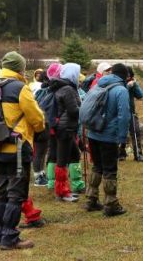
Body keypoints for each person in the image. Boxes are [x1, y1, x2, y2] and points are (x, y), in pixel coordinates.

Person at [0, 51, 45, 250]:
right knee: (16, 194)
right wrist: (39, 129)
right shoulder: (20, 88)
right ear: (19, 68)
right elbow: (37, 118)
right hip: (18, 148)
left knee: (1, 191)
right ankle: (10, 237)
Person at [84, 63, 132, 216]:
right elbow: (124, 116)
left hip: (93, 132)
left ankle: (91, 200)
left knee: (97, 166)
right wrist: (122, 138)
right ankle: (111, 204)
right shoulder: (121, 90)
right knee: (110, 170)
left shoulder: (98, 84)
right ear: (125, 76)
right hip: (108, 136)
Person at [50, 62, 83, 202]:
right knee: (62, 161)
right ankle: (61, 192)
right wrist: (85, 110)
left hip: (64, 127)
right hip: (65, 129)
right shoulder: (68, 89)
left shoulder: (61, 86)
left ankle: (74, 185)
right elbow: (73, 110)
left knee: (75, 154)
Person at [120, 66, 143, 162]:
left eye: (129, 75)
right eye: (126, 75)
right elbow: (121, 94)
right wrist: (127, 86)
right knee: (121, 132)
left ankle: (138, 154)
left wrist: (135, 85)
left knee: (136, 132)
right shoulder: (119, 83)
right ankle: (121, 153)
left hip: (131, 111)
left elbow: (140, 95)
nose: (127, 77)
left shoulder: (132, 83)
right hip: (120, 112)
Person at [43, 63, 62, 190]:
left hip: (48, 126)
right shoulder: (58, 89)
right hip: (57, 125)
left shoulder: (45, 88)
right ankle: (56, 182)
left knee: (51, 153)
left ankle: (50, 181)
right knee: (59, 154)